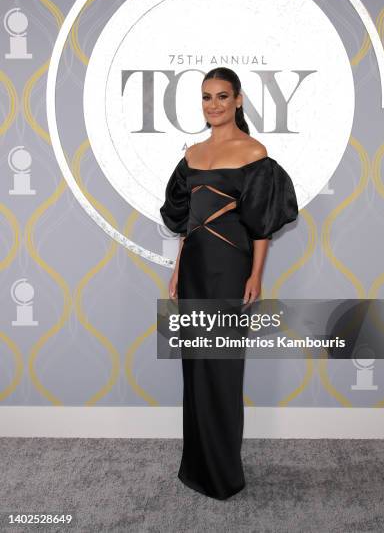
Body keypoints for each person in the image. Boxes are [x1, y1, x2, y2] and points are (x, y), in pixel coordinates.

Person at [160, 67, 298, 500]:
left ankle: (223, 474)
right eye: (206, 97)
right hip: (196, 267)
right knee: (195, 366)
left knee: (221, 367)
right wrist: (179, 268)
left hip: (229, 267)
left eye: (222, 96)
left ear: (238, 100)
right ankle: (195, 466)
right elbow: (185, 223)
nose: (213, 105)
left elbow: (261, 225)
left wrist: (256, 274)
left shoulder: (254, 152)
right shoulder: (193, 155)